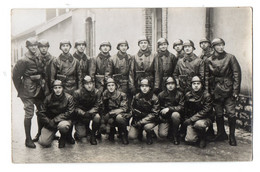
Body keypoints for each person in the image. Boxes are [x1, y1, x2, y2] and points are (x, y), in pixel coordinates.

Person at [205, 38, 241, 146]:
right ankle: (221, 133)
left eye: (222, 45)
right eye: (218, 45)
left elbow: (237, 74)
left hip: (228, 89)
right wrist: (207, 91)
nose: (221, 47)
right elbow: (206, 77)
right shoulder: (208, 60)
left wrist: (235, 91)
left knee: (231, 113)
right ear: (213, 47)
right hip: (215, 90)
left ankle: (232, 136)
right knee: (218, 113)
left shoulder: (230, 57)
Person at [12, 37, 45, 148]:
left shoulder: (40, 57)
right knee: (29, 114)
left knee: (41, 111)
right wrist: (21, 91)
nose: (34, 47)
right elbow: (16, 77)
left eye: (36, 45)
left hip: (39, 89)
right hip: (28, 90)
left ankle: (40, 134)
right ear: (27, 47)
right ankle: (28, 139)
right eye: (31, 46)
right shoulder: (23, 60)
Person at [51, 39, 82, 144]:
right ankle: (62, 135)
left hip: (73, 89)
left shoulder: (75, 61)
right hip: (61, 89)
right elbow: (52, 77)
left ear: (70, 47)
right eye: (63, 46)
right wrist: (55, 89)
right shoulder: (56, 61)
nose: (65, 47)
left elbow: (79, 77)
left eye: (67, 45)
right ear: (60, 48)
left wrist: (79, 91)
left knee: (72, 112)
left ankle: (69, 135)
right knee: (61, 110)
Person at [38, 80, 75, 148]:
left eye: (59, 87)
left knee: (63, 126)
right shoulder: (48, 98)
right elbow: (41, 113)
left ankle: (63, 138)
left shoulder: (69, 98)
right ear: (53, 89)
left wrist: (55, 120)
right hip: (51, 122)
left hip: (63, 121)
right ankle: (52, 135)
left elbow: (70, 112)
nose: (57, 90)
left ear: (63, 88)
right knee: (44, 142)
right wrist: (48, 122)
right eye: (55, 88)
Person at [32, 39, 55, 142]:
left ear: (48, 48)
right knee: (40, 112)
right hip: (39, 90)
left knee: (51, 111)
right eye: (41, 47)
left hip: (50, 90)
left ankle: (51, 133)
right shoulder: (35, 59)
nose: (43, 49)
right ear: (39, 48)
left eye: (45, 47)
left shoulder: (53, 59)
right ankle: (39, 132)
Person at [183, 76, 213, 148]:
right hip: (192, 119)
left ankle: (203, 137)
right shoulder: (188, 95)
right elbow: (185, 109)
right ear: (191, 85)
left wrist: (191, 119)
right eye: (194, 84)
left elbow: (205, 111)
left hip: (204, 119)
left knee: (199, 124)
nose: (196, 85)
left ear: (201, 85)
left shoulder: (206, 95)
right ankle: (194, 133)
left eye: (198, 83)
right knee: (190, 140)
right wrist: (186, 120)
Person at [129, 78, 160, 145]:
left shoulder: (154, 98)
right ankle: (139, 131)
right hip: (138, 119)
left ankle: (149, 134)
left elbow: (154, 114)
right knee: (131, 136)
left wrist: (141, 122)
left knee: (147, 127)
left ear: (150, 87)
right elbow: (132, 107)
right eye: (142, 86)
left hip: (150, 120)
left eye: (146, 86)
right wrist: (133, 116)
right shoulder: (136, 97)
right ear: (140, 87)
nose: (144, 88)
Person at [100, 78, 130, 144]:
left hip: (120, 115)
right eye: (109, 85)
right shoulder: (104, 95)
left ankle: (123, 134)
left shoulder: (122, 95)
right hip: (109, 117)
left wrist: (111, 113)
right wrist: (103, 122)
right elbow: (102, 108)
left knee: (119, 118)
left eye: (112, 85)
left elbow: (124, 108)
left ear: (116, 86)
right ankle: (111, 131)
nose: (111, 87)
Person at [73, 75, 102, 145]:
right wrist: (83, 113)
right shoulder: (77, 93)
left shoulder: (97, 92)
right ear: (83, 85)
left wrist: (89, 112)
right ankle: (80, 132)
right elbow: (75, 107)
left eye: (90, 84)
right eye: (87, 84)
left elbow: (97, 105)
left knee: (97, 117)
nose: (89, 86)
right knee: (81, 136)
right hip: (81, 116)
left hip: (91, 113)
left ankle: (93, 134)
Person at [157, 77, 184, 145]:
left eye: (172, 83)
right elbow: (158, 108)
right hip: (165, 118)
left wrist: (169, 109)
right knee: (162, 134)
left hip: (176, 117)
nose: (170, 85)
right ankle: (169, 129)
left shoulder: (180, 94)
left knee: (175, 115)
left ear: (175, 85)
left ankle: (175, 135)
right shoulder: (161, 95)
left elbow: (181, 107)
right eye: (168, 84)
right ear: (165, 85)